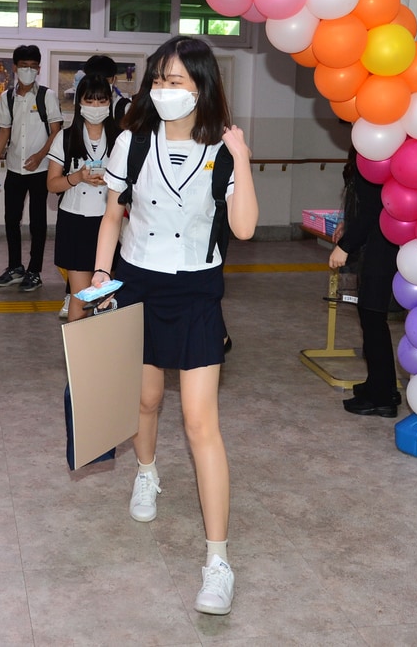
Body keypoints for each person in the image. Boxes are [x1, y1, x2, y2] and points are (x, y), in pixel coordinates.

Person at [90, 35, 258, 616]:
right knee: (145, 397)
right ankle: (146, 472)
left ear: (202, 88)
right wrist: (100, 275)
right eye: (159, 80)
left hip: (196, 291)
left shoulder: (222, 151)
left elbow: (244, 230)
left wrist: (244, 161)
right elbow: (113, 218)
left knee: (199, 421)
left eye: (178, 81)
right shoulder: (132, 144)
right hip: (137, 282)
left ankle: (218, 562)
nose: (165, 91)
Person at [328, 147, 402, 417]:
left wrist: (345, 247)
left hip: (382, 247)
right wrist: (347, 224)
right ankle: (378, 384)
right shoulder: (372, 152)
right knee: (370, 317)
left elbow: (372, 209)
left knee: (373, 318)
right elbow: (364, 205)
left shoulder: (375, 155)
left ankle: (383, 397)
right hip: (380, 243)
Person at [0, 45, 62, 292]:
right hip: (15, 169)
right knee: (11, 219)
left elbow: (56, 131)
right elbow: (4, 131)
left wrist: (41, 156)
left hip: (40, 171)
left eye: (33, 66)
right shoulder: (7, 97)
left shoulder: (46, 96)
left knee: (38, 222)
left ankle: (35, 271)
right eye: (24, 66)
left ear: (38, 68)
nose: (28, 70)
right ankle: (15, 268)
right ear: (15, 68)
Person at [47, 75, 119, 322]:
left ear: (110, 103)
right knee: (79, 298)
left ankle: (101, 356)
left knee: (105, 298)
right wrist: (77, 177)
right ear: (80, 103)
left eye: (102, 101)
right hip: (75, 222)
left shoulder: (121, 139)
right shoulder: (66, 138)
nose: (96, 107)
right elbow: (52, 183)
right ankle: (78, 358)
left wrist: (112, 180)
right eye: (90, 101)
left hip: (110, 222)